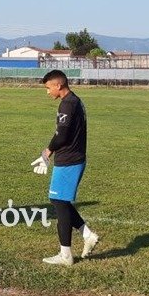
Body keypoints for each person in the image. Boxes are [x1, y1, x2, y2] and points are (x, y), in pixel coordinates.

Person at [31, 70, 98, 266]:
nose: (47, 92)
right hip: (71, 158)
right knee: (59, 200)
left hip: (70, 160)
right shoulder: (74, 100)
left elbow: (62, 136)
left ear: (58, 85)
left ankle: (66, 255)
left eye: (48, 88)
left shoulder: (68, 104)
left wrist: (46, 153)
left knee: (59, 203)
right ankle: (88, 235)